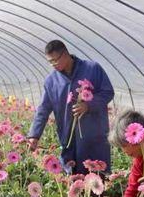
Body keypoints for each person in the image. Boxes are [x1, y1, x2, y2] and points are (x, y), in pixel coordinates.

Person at [27, 40, 114, 174]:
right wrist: (34, 135)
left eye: (56, 60)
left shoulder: (92, 69)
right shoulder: (51, 81)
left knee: (98, 176)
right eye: (50, 61)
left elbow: (108, 92)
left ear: (66, 54)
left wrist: (88, 105)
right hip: (69, 139)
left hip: (94, 136)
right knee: (75, 179)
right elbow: (43, 109)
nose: (54, 64)